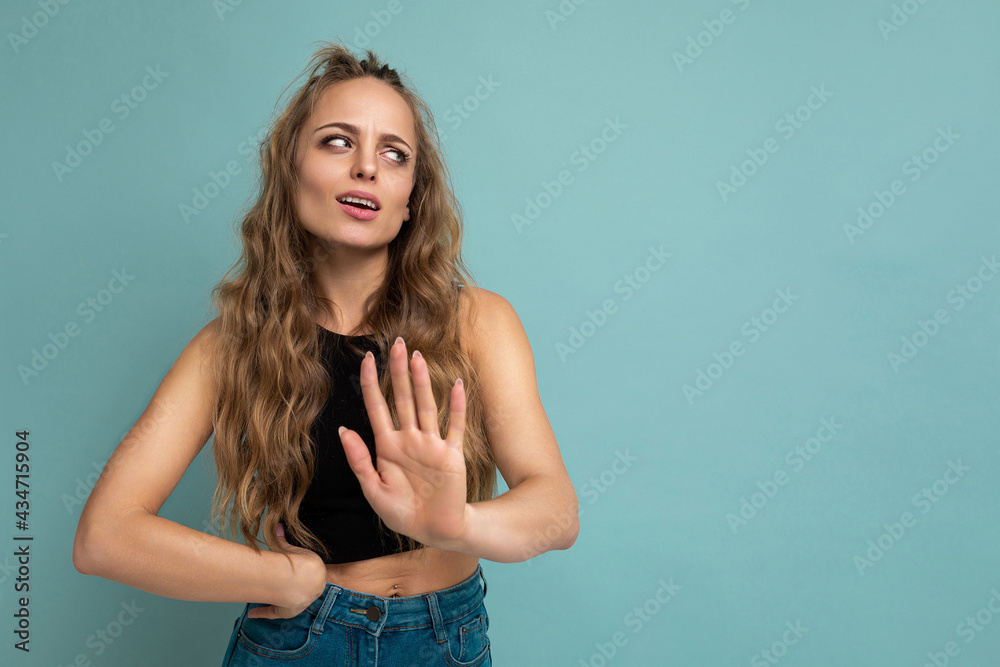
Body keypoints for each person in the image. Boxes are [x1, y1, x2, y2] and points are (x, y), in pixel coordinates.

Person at [72, 40, 579, 666]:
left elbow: (556, 511)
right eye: (338, 142)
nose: (366, 168)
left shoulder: (480, 322)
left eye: (394, 154)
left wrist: (456, 526)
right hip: (298, 642)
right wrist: (280, 579)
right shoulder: (230, 345)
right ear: (290, 170)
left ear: (411, 198)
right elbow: (105, 536)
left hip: (445, 636)